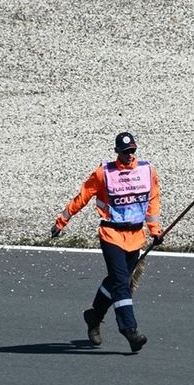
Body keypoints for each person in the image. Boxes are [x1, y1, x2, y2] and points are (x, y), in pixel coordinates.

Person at [50, 132, 162, 353]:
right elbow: (82, 197)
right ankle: (130, 330)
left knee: (115, 281)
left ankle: (94, 316)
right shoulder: (104, 173)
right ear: (116, 152)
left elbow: (153, 200)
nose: (130, 156)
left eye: (132, 151)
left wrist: (155, 231)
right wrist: (62, 222)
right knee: (122, 283)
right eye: (125, 152)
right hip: (111, 235)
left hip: (136, 236)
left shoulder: (147, 171)